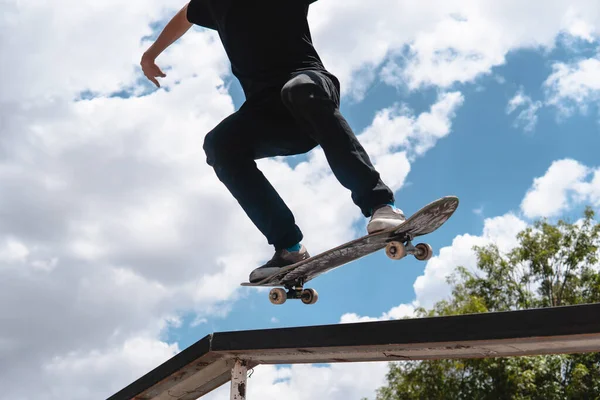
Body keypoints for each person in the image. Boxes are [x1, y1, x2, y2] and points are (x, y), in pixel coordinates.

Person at [141, 0, 405, 283]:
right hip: (269, 117)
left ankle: (381, 205)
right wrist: (150, 55)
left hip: (311, 92)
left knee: (299, 90)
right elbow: (185, 16)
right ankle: (288, 247)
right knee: (220, 144)